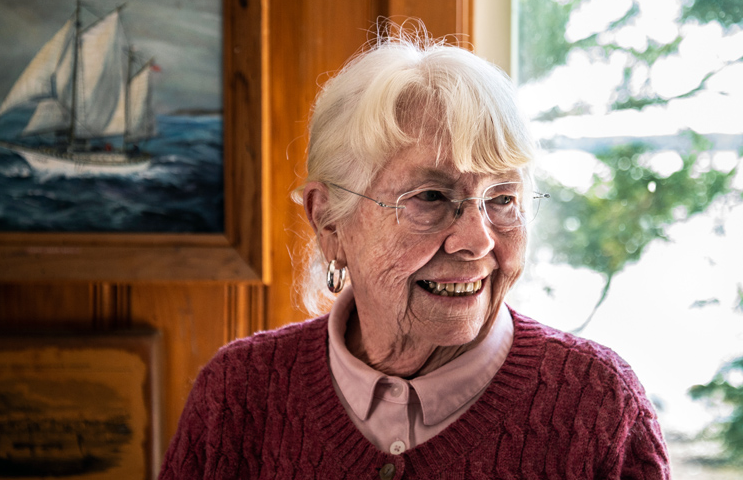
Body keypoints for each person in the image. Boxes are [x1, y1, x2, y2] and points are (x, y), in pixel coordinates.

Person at [158, 25, 671, 479]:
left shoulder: (598, 404)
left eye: (503, 198)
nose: (478, 240)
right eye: (430, 197)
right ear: (329, 219)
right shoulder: (238, 395)